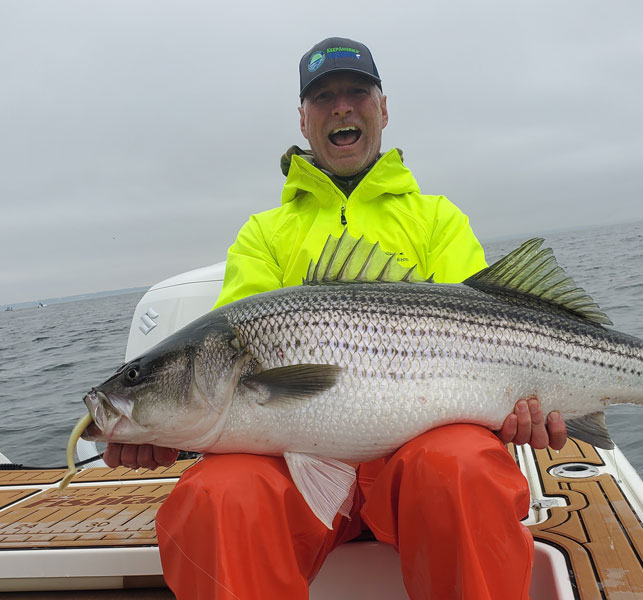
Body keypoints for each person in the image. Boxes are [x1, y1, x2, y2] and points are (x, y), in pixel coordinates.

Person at [104, 37, 567, 599]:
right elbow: (220, 377)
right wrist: (163, 430)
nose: (342, 107)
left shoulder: (437, 219)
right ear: (303, 119)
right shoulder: (263, 235)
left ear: (383, 108)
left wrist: (526, 412)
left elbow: (497, 332)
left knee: (464, 465)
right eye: (323, 97)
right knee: (216, 496)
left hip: (416, 465)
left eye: (356, 92)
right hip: (291, 473)